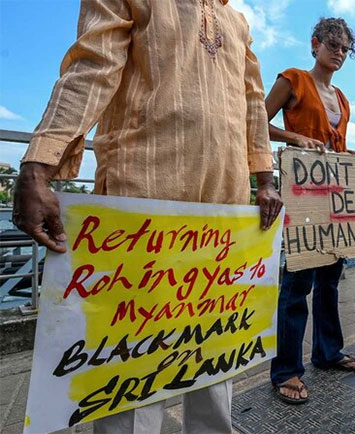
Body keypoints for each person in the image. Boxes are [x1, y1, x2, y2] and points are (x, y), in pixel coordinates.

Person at [12, 1, 283, 432]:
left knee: (216, 341)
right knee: (131, 351)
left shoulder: (236, 19)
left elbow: (252, 101)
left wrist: (265, 180)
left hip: (224, 203)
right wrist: (38, 164)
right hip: (140, 196)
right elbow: (94, 67)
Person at [265, 17, 355, 405]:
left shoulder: (342, 98)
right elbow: (256, 121)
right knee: (296, 287)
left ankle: (327, 353)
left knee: (330, 280)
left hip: (333, 200)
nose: (339, 53)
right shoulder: (293, 79)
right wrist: (293, 135)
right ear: (315, 44)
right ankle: (287, 370)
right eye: (332, 45)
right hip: (301, 198)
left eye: (345, 48)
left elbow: (336, 150)